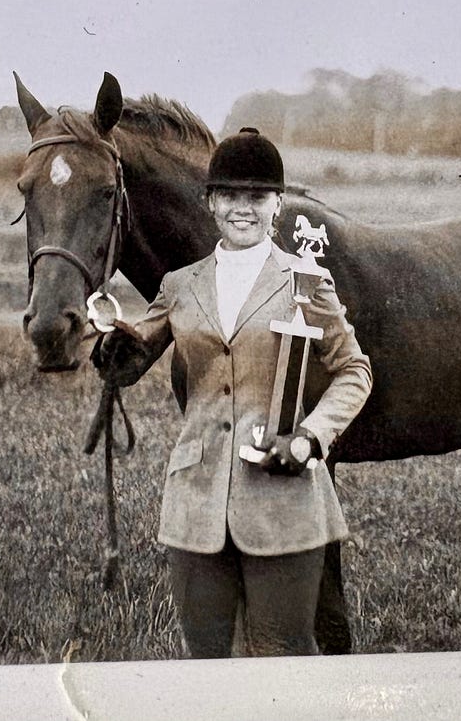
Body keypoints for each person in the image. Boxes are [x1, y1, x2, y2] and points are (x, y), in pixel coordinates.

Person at [94, 127, 372, 658]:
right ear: (210, 202)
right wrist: (107, 341)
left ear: (277, 205)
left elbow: (354, 370)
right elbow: (130, 362)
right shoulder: (178, 284)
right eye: (229, 196)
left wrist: (312, 437)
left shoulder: (306, 282)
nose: (242, 209)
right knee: (206, 661)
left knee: (280, 654)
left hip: (284, 497)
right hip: (194, 503)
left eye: (257, 197)